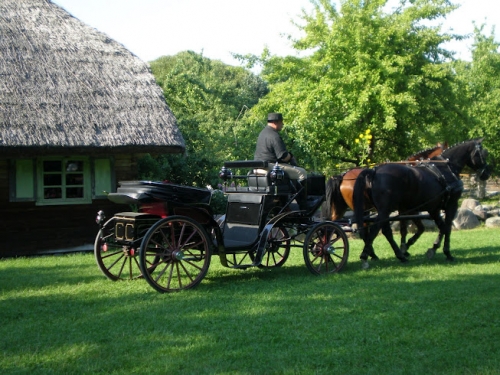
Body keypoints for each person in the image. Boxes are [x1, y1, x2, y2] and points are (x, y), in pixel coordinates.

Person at [254, 112, 310, 210]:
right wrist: (291, 156)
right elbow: (283, 156)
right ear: (276, 122)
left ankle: (287, 201)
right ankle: (304, 206)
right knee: (302, 172)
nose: (282, 125)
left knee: (290, 172)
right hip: (269, 167)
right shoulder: (274, 135)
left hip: (258, 167)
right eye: (281, 122)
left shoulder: (262, 133)